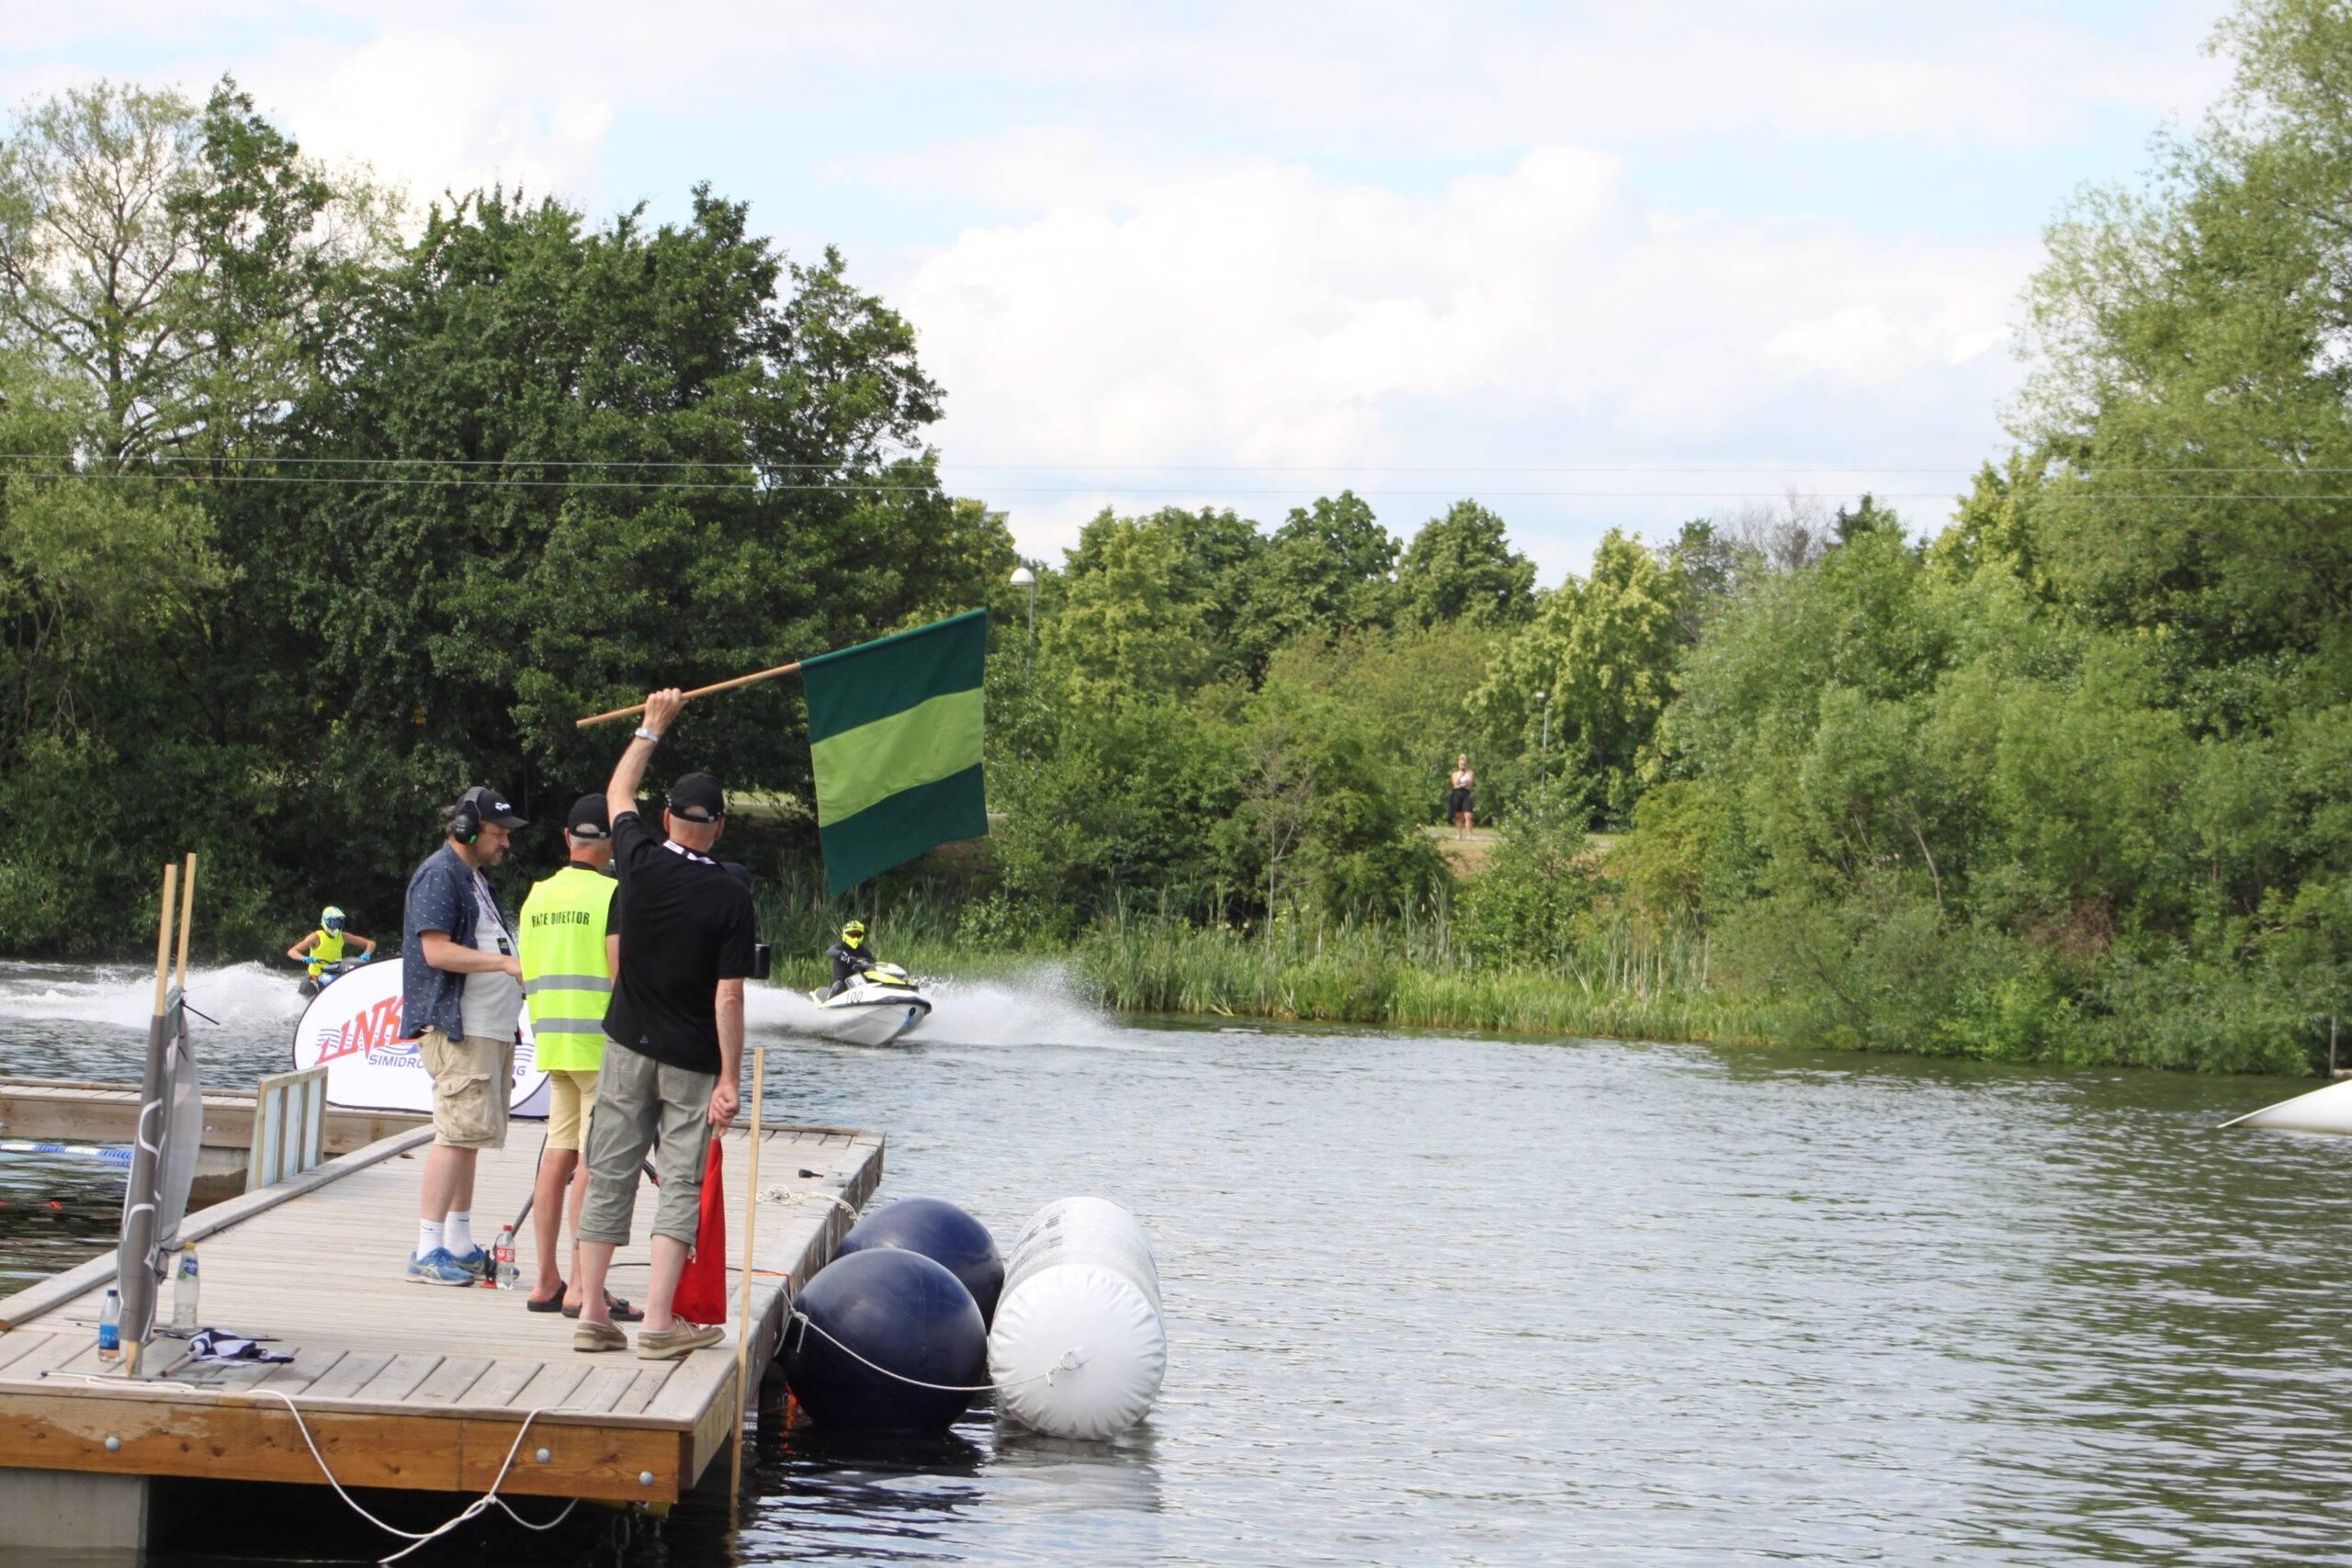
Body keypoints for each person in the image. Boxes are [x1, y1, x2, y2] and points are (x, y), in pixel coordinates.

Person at [571, 690, 756, 1360]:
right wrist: (730, 1079)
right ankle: (655, 1321)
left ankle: (592, 1310)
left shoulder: (639, 863)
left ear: (669, 817)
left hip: (625, 1044)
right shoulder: (732, 895)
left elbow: (617, 788)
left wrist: (652, 725)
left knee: (608, 1167)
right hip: (690, 1058)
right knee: (679, 1181)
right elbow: (728, 996)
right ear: (721, 830)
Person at [517, 794, 639, 1322]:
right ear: (611, 846)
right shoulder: (615, 892)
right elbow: (620, 972)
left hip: (553, 1043)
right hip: (601, 1045)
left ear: (568, 839)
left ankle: (547, 1280)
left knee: (557, 1155)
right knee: (594, 1163)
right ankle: (584, 1290)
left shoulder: (536, 896)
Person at [401, 784, 527, 1286]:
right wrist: (504, 963)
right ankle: (427, 1247)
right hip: (458, 1028)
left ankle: (457, 1240)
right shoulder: (440, 874)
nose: (505, 843)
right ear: (466, 830)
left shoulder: (474, 879)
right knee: (454, 1135)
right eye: (498, 834)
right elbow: (436, 952)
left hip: (486, 1029)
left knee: (470, 1136)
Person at [287, 906, 377, 998]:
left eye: (339, 923)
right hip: (317, 978)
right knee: (309, 982)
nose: (336, 926)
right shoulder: (316, 937)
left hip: (335, 975)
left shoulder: (343, 936)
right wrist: (304, 958)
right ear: (326, 922)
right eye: (334, 923)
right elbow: (292, 951)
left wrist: (366, 954)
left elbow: (371, 944)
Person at [821, 919, 880, 998]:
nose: (855, 937)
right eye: (852, 934)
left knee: (875, 981)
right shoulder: (840, 947)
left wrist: (867, 963)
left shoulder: (862, 950)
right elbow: (829, 952)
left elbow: (873, 961)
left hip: (859, 979)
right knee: (839, 987)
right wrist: (841, 955)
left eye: (858, 934)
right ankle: (828, 1004)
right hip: (841, 980)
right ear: (846, 934)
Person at [1449, 754, 1476, 840]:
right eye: (1461, 764)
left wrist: (1462, 783)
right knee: (1458, 815)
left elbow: (1470, 784)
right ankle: (1459, 834)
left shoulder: (1470, 773)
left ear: (1467, 764)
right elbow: (1455, 784)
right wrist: (1460, 775)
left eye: (1464, 764)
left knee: (1468, 815)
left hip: (1466, 794)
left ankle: (1470, 835)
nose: (1462, 766)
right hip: (1457, 793)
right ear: (1458, 764)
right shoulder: (1455, 774)